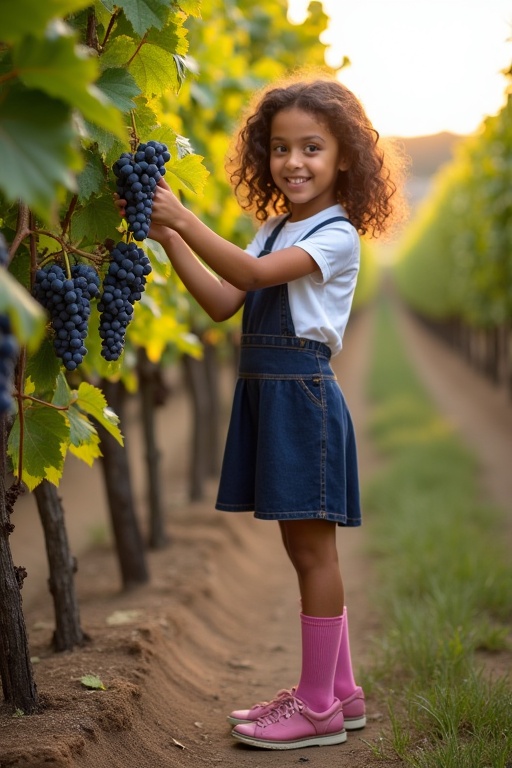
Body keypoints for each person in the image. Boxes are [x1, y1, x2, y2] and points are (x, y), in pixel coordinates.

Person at [116, 73, 406, 750]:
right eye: (280, 148)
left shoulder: (336, 235)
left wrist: (185, 215)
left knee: (312, 550)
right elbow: (223, 301)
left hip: (300, 393)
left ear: (344, 159)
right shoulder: (276, 227)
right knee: (301, 547)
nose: (294, 162)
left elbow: (249, 280)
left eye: (311, 148)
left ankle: (315, 709)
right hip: (271, 391)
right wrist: (169, 239)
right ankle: (339, 694)